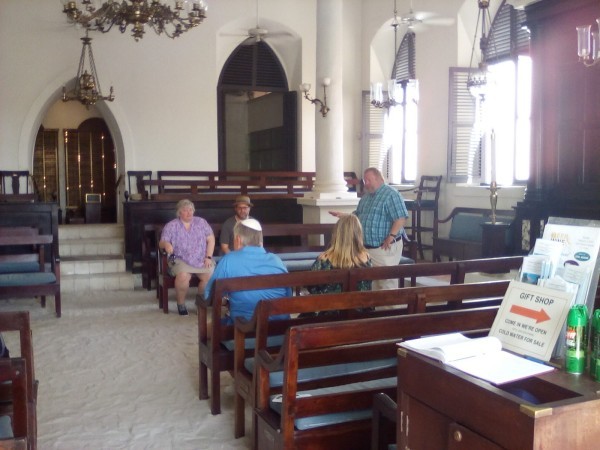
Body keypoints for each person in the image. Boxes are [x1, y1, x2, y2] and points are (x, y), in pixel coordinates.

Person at [330, 167, 408, 290]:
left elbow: (401, 217)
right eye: (364, 180)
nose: (366, 183)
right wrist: (343, 215)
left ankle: (391, 309)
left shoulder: (391, 194)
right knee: (372, 283)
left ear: (378, 179)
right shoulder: (366, 198)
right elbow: (358, 215)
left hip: (384, 247)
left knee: (386, 282)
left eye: (368, 180)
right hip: (367, 249)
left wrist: (391, 236)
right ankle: (376, 308)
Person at [204, 218, 291, 324]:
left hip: (244, 327)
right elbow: (288, 294)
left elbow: (209, 295)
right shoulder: (276, 260)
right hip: (279, 326)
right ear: (260, 240)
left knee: (210, 328)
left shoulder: (229, 260)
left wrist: (225, 301)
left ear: (238, 239)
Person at [159, 199, 215, 316]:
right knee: (183, 276)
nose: (189, 213)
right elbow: (162, 243)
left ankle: (200, 304)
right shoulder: (171, 225)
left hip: (200, 258)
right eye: (185, 210)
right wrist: (166, 244)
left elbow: (211, 239)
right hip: (178, 258)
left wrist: (208, 257)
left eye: (191, 210)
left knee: (209, 276)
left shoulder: (201, 222)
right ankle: (181, 304)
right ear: (179, 213)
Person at [308, 214, 372, 295]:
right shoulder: (366, 258)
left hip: (329, 305)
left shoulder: (325, 259)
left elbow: (310, 285)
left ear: (337, 233)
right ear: (359, 234)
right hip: (360, 305)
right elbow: (367, 286)